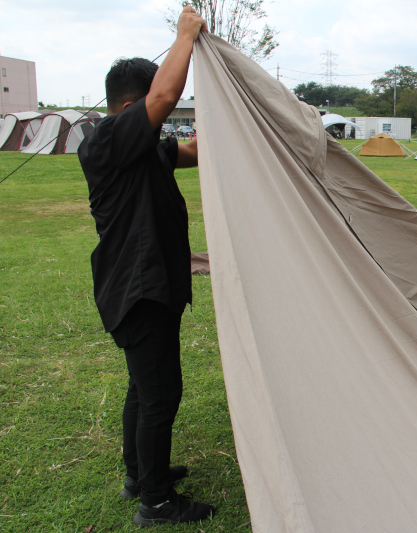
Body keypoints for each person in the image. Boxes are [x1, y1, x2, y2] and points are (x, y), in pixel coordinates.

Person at [78, 7, 215, 527]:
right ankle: (155, 502)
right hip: (138, 288)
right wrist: (185, 35)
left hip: (146, 285)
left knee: (143, 386)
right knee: (161, 392)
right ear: (130, 105)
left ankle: (140, 474)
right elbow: (163, 99)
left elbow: (197, 150)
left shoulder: (145, 150)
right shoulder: (108, 139)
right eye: (151, 104)